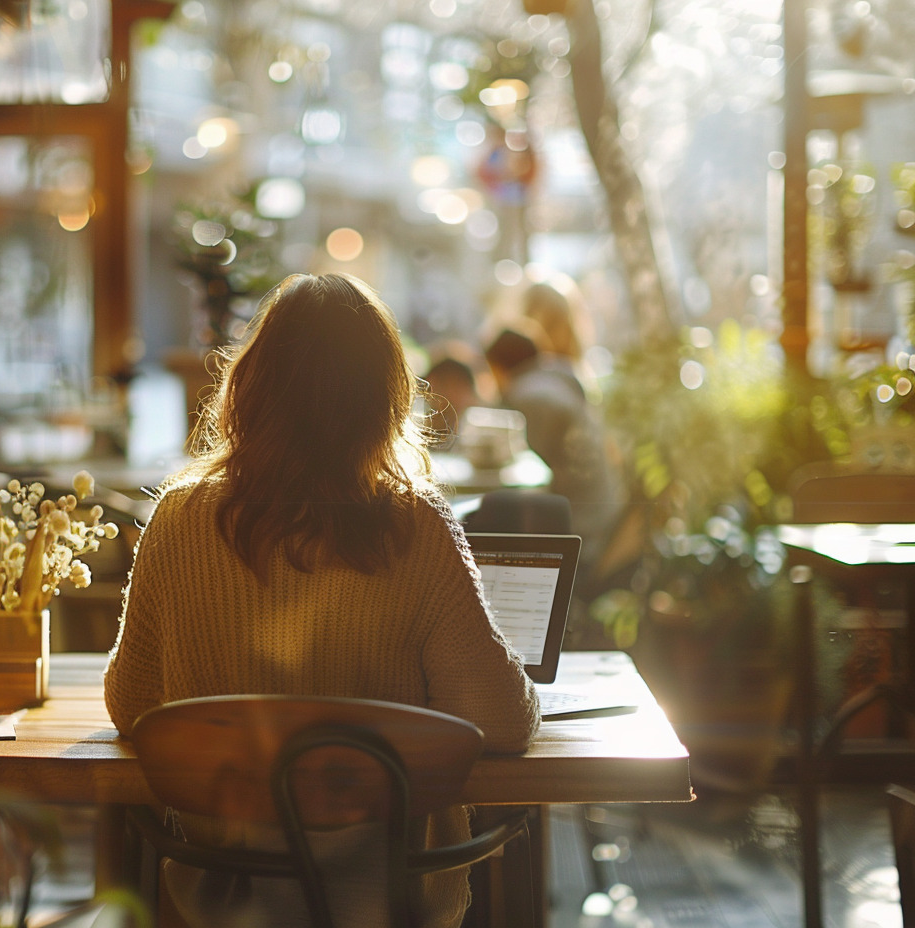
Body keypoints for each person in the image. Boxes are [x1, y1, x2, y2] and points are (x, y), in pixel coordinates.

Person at [105, 272, 539, 928]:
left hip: (220, 897)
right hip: (384, 898)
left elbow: (132, 704)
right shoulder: (414, 524)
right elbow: (503, 722)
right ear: (383, 397)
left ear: (251, 385)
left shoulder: (178, 517)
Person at [484, 321, 625, 573]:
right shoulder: (557, 381)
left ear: (499, 367)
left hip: (581, 531)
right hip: (602, 516)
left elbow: (522, 472)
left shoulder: (532, 397)